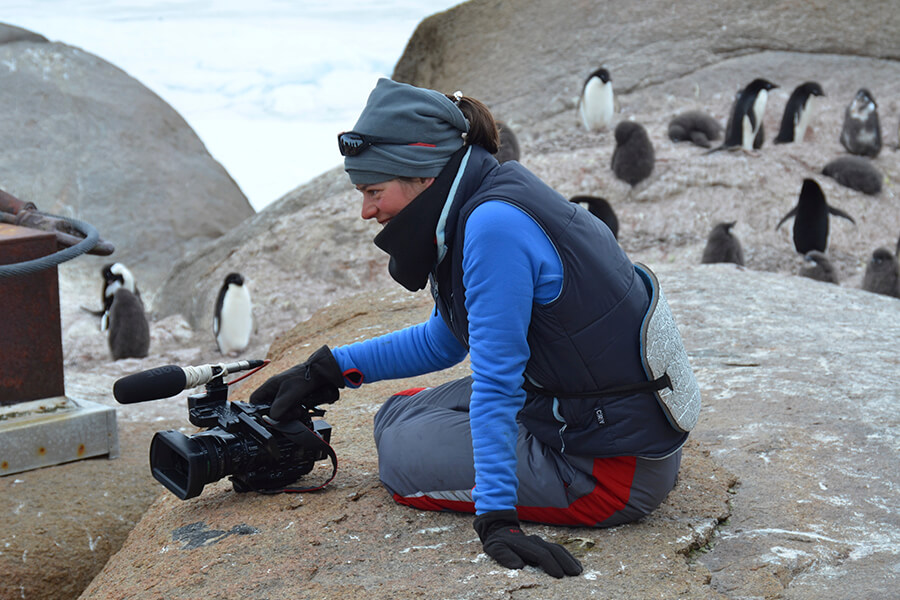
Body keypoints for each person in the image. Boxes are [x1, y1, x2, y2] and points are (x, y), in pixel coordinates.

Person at [250, 78, 699, 578]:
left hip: (609, 472)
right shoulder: (491, 193)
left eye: (374, 191)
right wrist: (327, 370)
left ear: (423, 175)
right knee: (394, 415)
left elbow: (497, 383)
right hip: (587, 415)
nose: (366, 211)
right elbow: (445, 339)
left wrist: (497, 519)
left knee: (396, 457)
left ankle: (522, 479)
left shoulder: (492, 227)